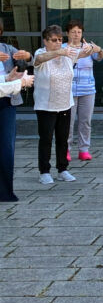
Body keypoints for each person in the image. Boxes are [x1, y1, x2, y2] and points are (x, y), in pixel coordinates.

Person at [33, 25, 84, 185]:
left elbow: (84, 53)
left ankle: (63, 169)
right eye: (54, 40)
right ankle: (44, 171)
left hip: (65, 104)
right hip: (46, 106)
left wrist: (95, 49)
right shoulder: (40, 53)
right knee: (46, 139)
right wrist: (59, 51)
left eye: (60, 40)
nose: (58, 43)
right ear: (46, 41)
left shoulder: (67, 54)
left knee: (63, 139)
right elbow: (38, 61)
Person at [63, 20, 103, 162]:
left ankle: (84, 150)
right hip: (68, 91)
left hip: (88, 90)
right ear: (67, 33)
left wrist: (97, 49)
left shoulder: (87, 48)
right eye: (73, 32)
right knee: (68, 122)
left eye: (79, 32)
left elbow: (101, 56)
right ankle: (65, 149)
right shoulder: (63, 48)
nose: (76, 35)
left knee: (85, 121)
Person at [0, 18, 32, 201]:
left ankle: (5, 192)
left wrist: (25, 56)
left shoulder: (7, 49)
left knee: (6, 147)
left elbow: (29, 61)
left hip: (7, 102)